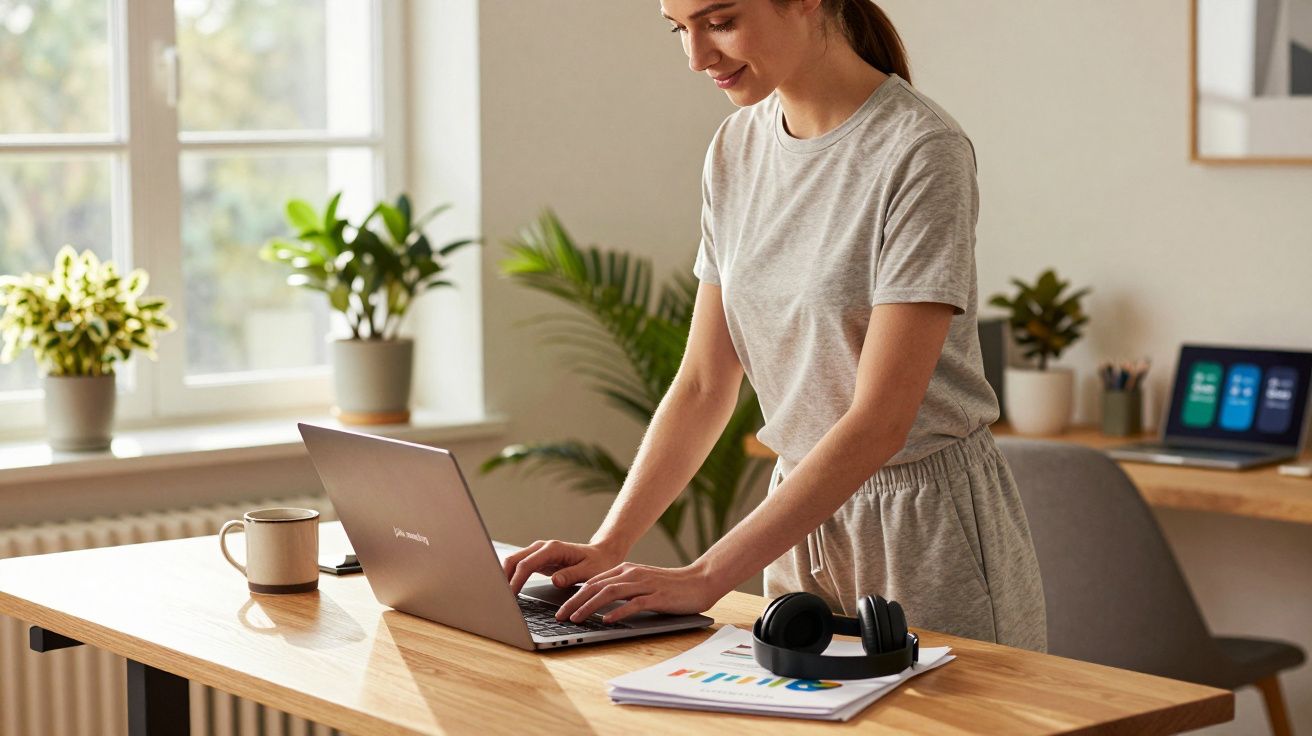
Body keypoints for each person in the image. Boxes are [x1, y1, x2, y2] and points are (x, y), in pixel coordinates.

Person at [502, 0, 1047, 652]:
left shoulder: (921, 151)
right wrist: (609, 543)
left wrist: (706, 576)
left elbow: (881, 421)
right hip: (799, 523)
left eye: (720, 22)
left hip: (924, 530)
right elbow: (704, 384)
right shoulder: (735, 148)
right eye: (679, 29)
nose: (696, 57)